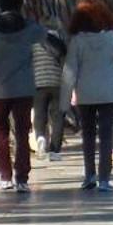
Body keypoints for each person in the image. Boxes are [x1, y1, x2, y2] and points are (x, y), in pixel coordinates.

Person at [0, 0, 47, 194]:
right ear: (20, 5)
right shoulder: (30, 28)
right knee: (23, 132)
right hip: (24, 87)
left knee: (1, 132)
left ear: (0, 6)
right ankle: (22, 178)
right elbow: (45, 38)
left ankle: (5, 176)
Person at [60, 0, 113, 191]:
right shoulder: (112, 39)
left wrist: (64, 104)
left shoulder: (77, 42)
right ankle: (105, 178)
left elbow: (69, 72)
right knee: (107, 134)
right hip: (109, 92)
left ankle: (89, 175)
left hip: (85, 94)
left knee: (88, 135)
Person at [31, 18, 69, 157]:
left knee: (40, 113)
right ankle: (55, 150)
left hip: (38, 82)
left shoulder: (33, 43)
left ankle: (40, 137)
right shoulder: (60, 43)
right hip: (58, 83)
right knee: (58, 117)